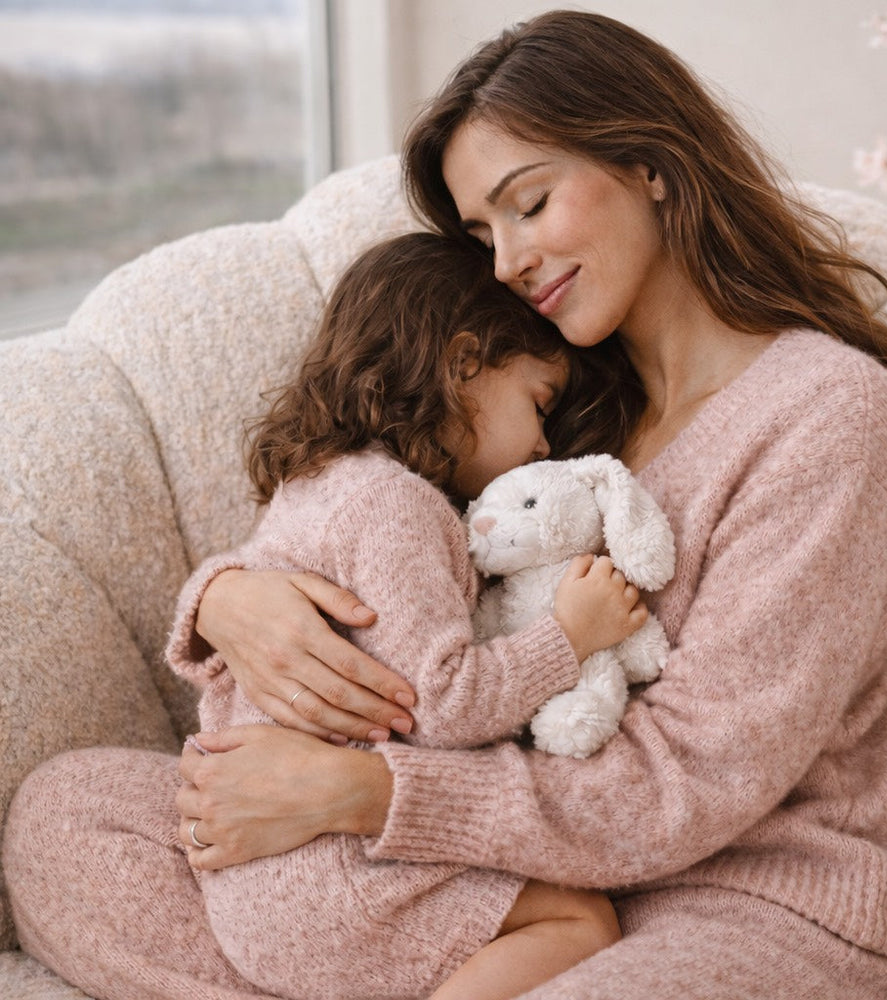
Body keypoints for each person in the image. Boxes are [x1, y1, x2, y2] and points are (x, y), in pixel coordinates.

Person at [3, 10, 887, 1000]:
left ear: (651, 163)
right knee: (64, 818)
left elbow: (686, 783)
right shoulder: (542, 405)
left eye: (530, 202)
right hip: (480, 887)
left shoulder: (826, 418)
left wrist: (362, 793)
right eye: (482, 232)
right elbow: (361, 518)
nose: (506, 260)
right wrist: (232, 599)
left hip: (735, 907)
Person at [166, 230, 638, 1000]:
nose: (545, 442)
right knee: (582, 923)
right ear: (462, 366)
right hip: (327, 879)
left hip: (249, 882)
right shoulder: (398, 506)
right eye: (538, 403)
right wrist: (571, 635)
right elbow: (444, 703)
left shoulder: (312, 482)